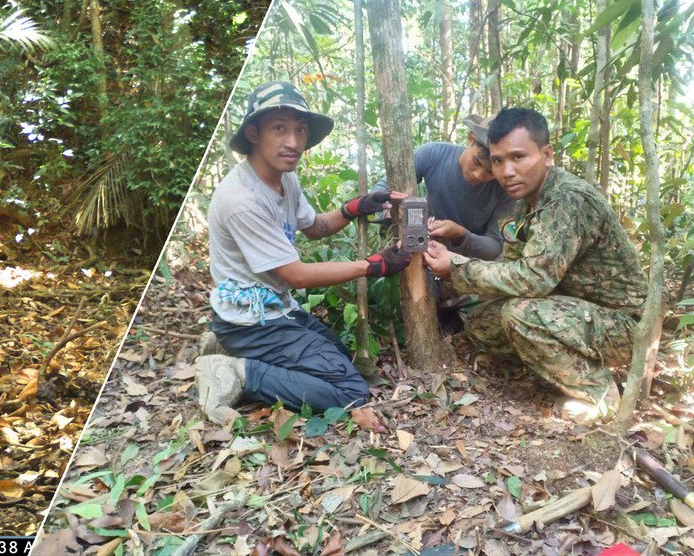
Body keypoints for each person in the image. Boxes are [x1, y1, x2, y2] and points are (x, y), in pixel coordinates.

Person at [196, 81, 411, 426]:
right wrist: (373, 266)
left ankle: (233, 349)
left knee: (343, 359)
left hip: (275, 310)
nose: (293, 142)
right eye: (279, 128)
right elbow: (297, 275)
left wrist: (358, 207)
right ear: (253, 133)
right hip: (251, 322)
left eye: (300, 130)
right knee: (349, 391)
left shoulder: (283, 179)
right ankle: (237, 370)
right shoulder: (241, 200)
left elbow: (315, 227)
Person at [423, 107, 646, 424]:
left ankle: (599, 393)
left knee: (520, 315)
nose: (506, 171)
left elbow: (533, 279)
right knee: (482, 322)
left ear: (547, 155)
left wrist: (457, 267)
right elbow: (513, 267)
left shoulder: (567, 199)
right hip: (576, 309)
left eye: (518, 157)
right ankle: (550, 368)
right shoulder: (524, 205)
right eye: (498, 160)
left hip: (623, 324)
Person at [372, 114, 514, 261]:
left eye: (490, 172)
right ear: (470, 139)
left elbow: (495, 247)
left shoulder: (505, 188)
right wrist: (393, 212)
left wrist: (461, 235)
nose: (479, 175)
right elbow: (379, 191)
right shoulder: (433, 154)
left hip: (471, 269)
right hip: (424, 256)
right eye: (477, 162)